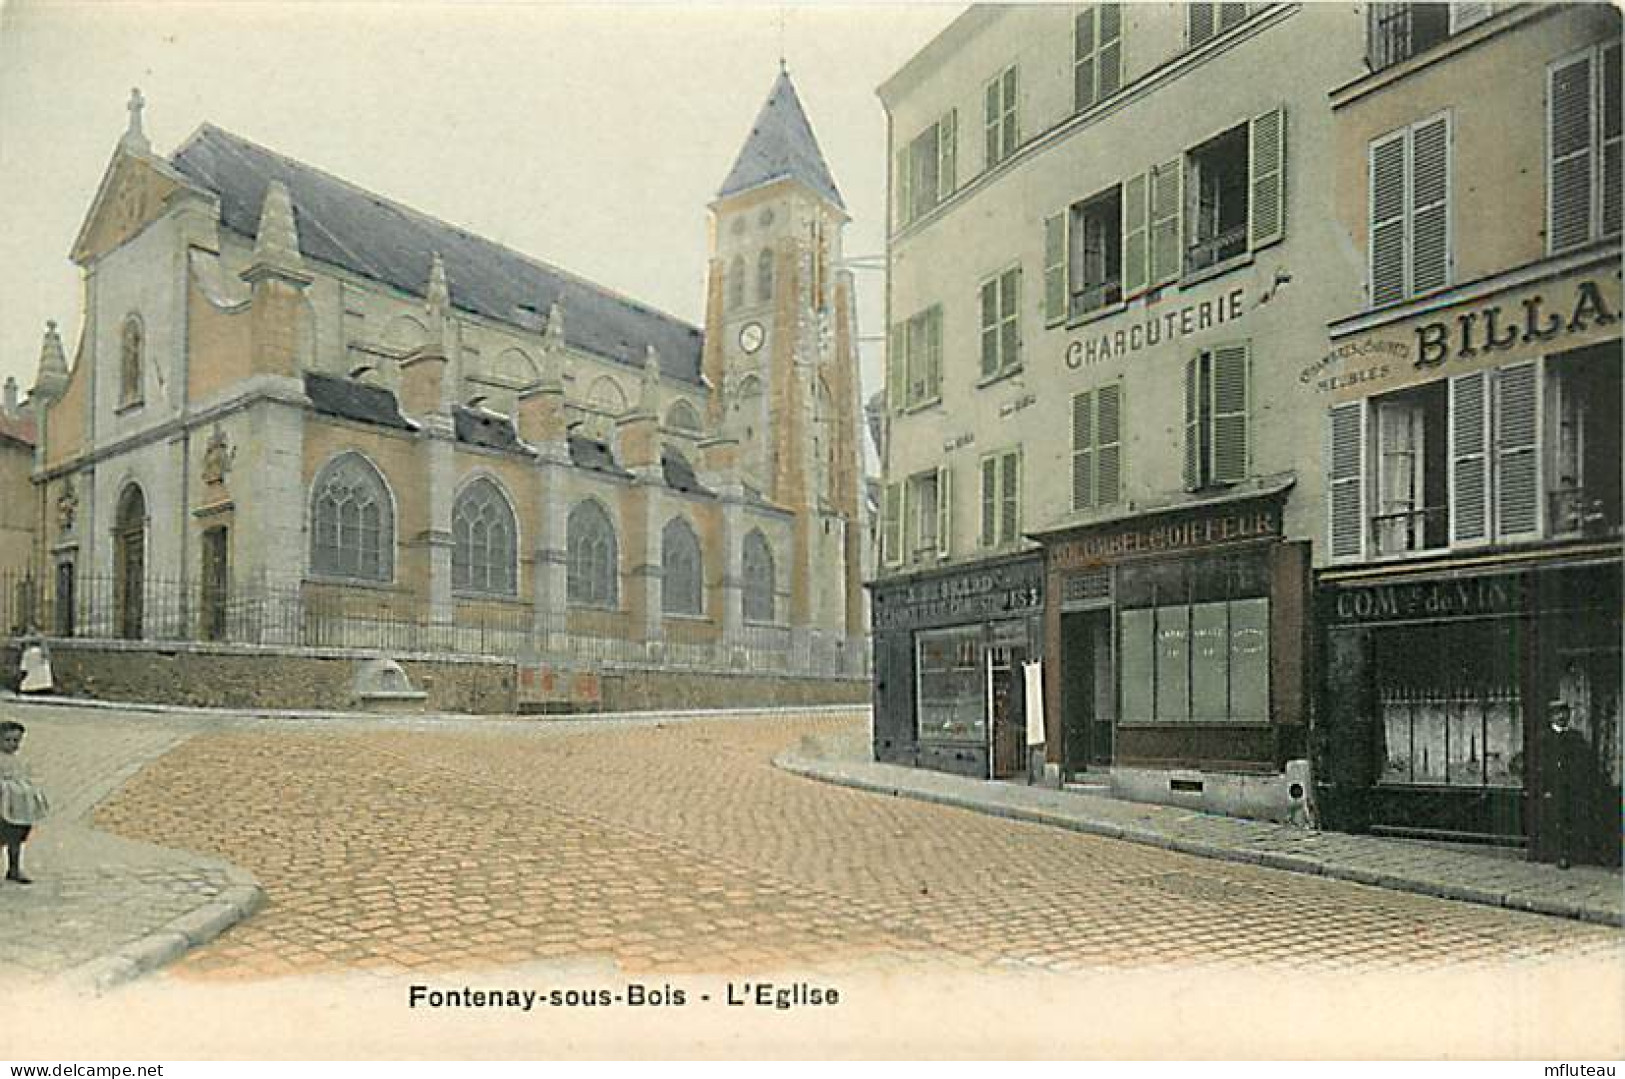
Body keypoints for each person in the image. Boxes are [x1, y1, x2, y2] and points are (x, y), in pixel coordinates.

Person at [0, 720, 50, 884]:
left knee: (16, 838)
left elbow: (26, 777)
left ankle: (14, 869)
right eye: (8, 740)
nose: (13, 744)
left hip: (17, 806)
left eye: (16, 741)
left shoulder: (19, 760)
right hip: (2, 805)